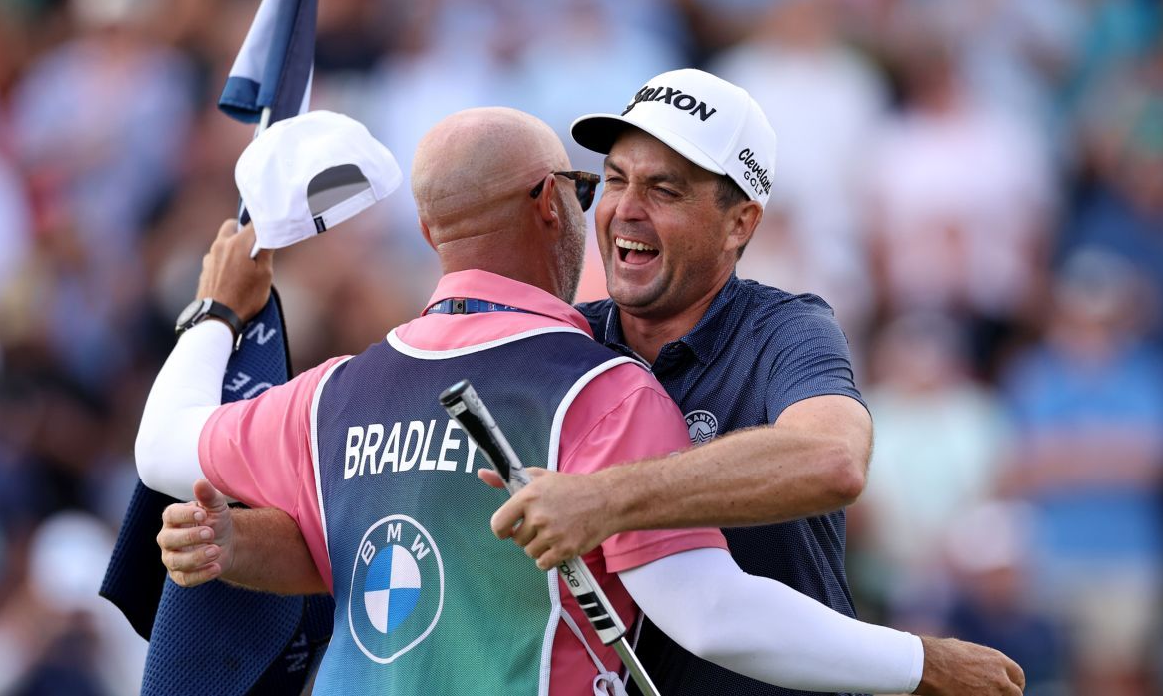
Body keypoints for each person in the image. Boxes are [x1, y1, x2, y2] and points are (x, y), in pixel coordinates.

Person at [138, 106, 1020, 695]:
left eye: (664, 189)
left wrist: (218, 310)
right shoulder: (600, 384)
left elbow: (164, 449)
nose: (621, 211)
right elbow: (710, 610)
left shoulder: (331, 391)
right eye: (602, 183)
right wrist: (923, 663)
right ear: (549, 205)